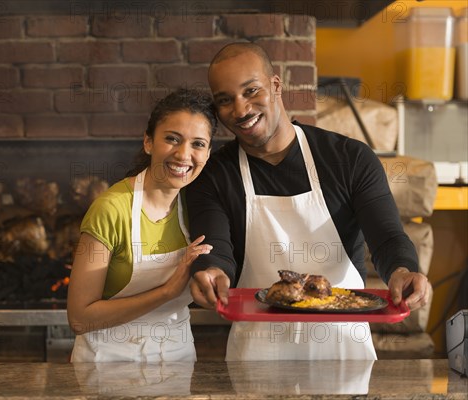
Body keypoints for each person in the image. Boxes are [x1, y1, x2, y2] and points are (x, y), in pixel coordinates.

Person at [185, 42, 432, 361]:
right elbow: (215, 248)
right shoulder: (215, 175)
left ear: (276, 85)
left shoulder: (350, 159)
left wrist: (403, 270)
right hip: (258, 352)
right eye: (225, 100)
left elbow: (387, 238)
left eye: (251, 91)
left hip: (344, 346)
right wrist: (211, 272)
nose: (241, 109)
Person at [68, 88, 217, 362]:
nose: (184, 155)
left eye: (198, 144)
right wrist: (166, 292)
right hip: (109, 366)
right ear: (148, 142)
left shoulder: (201, 208)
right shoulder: (111, 209)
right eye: (172, 139)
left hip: (177, 360)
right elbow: (79, 318)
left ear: (208, 153)